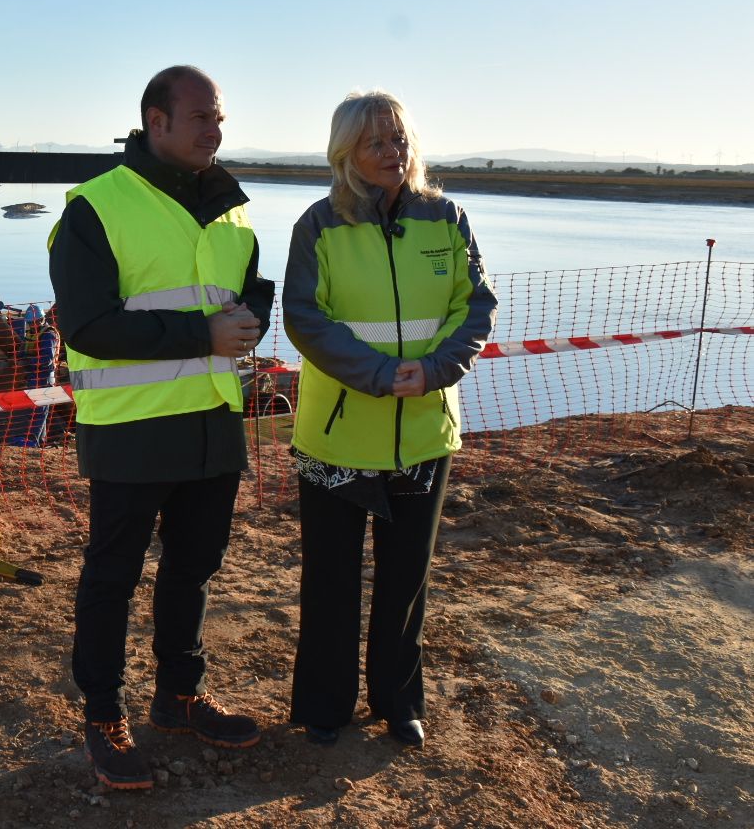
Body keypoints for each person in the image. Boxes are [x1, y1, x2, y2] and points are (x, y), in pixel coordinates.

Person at [49, 65, 274, 791]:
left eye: (220, 117)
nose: (216, 129)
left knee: (194, 569)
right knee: (112, 576)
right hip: (131, 428)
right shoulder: (97, 207)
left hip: (212, 423)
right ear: (156, 121)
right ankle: (103, 714)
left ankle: (179, 696)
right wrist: (203, 334)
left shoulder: (231, 209)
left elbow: (247, 296)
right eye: (202, 116)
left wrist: (248, 323)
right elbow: (87, 325)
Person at [282, 91, 496, 748]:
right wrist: (379, 375)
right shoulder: (318, 225)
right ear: (346, 152)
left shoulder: (448, 217)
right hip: (338, 434)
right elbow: (304, 318)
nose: (392, 152)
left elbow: (476, 304)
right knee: (331, 579)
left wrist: (435, 370)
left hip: (426, 430)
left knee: (406, 580)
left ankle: (399, 703)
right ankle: (324, 708)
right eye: (376, 142)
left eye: (399, 139)